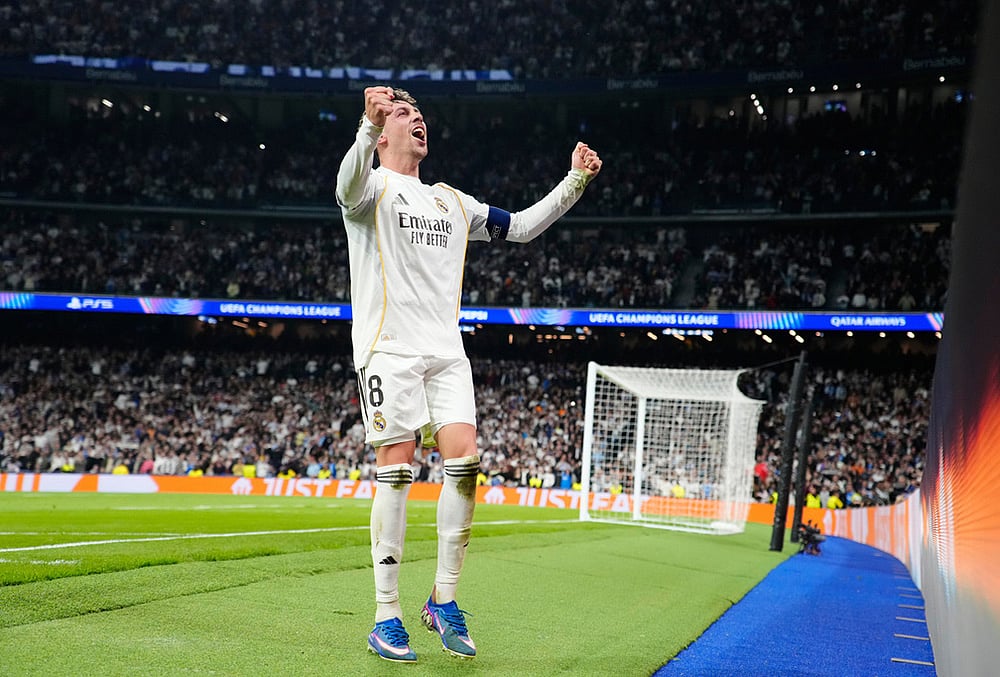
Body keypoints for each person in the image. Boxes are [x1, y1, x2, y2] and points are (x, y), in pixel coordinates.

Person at [335, 86, 601, 663]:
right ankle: (386, 615)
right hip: (388, 350)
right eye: (406, 115)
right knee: (398, 465)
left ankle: (443, 600)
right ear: (383, 134)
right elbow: (344, 187)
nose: (418, 121)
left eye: (421, 115)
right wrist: (364, 123)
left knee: (465, 458)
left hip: (445, 351)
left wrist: (574, 181)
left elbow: (524, 227)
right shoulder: (372, 186)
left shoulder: (453, 202)